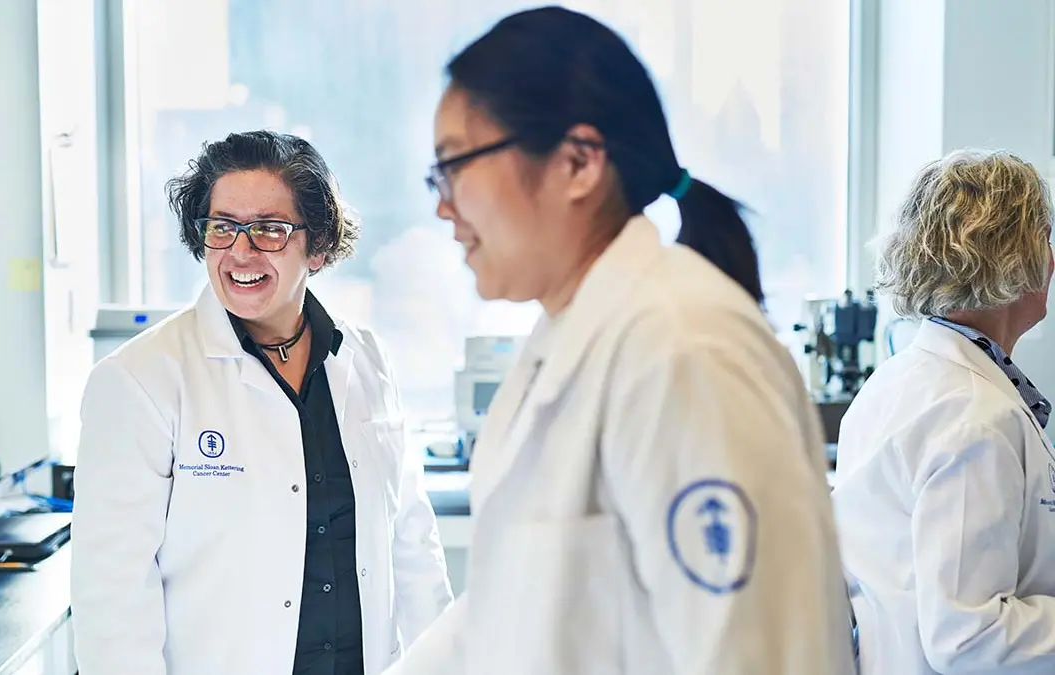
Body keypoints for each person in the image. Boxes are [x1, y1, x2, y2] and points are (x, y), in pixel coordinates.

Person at [387, 7, 856, 675]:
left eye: (454, 165)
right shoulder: (568, 341)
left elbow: (754, 652)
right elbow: (502, 617)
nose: (442, 205)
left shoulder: (684, 350)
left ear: (578, 162)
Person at [71, 130, 454, 675]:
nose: (240, 252)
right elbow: (112, 593)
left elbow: (412, 542)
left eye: (269, 230)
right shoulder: (140, 380)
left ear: (317, 246)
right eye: (223, 227)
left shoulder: (366, 360)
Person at [831, 149, 1055, 675]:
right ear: (1014, 257)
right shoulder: (973, 418)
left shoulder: (898, 382)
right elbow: (970, 637)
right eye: (1044, 238)